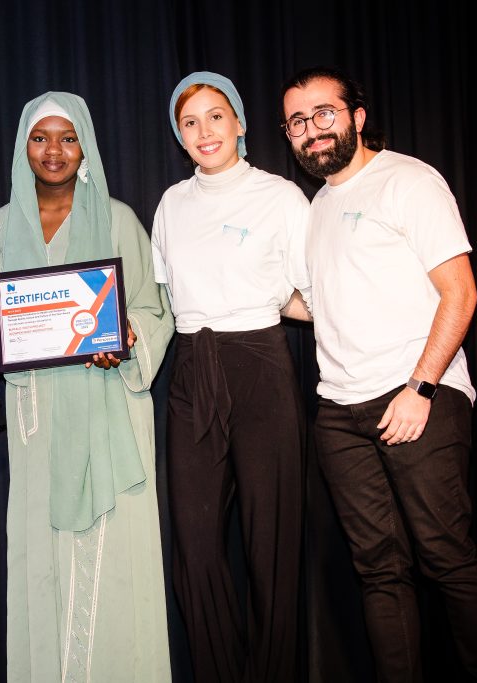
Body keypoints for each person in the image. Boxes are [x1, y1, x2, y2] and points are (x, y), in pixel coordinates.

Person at [281, 66, 477, 682]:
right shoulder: (317, 208)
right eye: (297, 121)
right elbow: (316, 305)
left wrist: (421, 387)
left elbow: (460, 292)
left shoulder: (409, 180)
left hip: (418, 397)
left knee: (447, 558)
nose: (312, 129)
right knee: (379, 570)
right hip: (341, 414)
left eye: (324, 112)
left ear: (356, 116)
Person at [0, 92, 174, 681]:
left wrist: (129, 336)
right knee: (40, 558)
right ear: (23, 147)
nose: (54, 151)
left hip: (106, 408)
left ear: (84, 144)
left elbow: (153, 308)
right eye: (41, 138)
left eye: (68, 137)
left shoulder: (117, 218)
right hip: (35, 421)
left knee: (111, 559)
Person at [150, 71, 310, 682]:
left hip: (262, 362)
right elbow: (166, 298)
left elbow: (309, 297)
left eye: (216, 116)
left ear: (239, 123)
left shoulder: (280, 196)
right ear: (179, 136)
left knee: (271, 542)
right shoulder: (172, 203)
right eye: (190, 122)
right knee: (195, 545)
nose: (204, 131)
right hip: (193, 368)